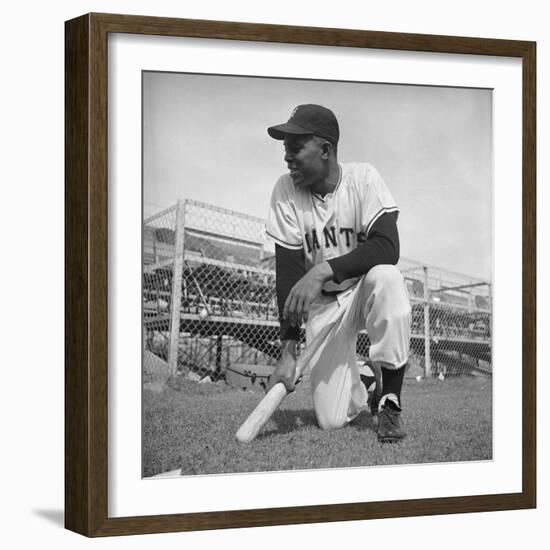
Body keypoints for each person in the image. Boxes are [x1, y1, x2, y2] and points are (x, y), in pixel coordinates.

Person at [264, 104, 411, 443]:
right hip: (326, 307)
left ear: (326, 150)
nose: (287, 156)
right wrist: (288, 350)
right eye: (285, 147)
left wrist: (321, 271)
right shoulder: (285, 190)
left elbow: (388, 246)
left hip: (363, 291)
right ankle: (366, 380)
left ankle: (390, 399)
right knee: (331, 420)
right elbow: (287, 276)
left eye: (295, 146)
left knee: (388, 278)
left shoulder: (364, 178)